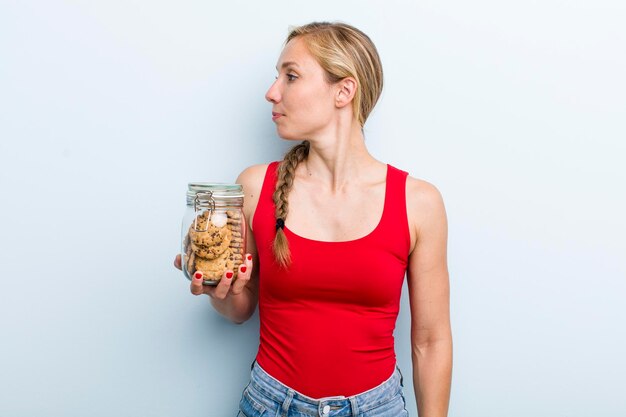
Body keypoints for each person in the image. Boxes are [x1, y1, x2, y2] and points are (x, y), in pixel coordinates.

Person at [174, 21, 452, 417]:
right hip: (269, 404)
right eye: (277, 78)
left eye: (290, 76)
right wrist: (223, 292)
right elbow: (240, 309)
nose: (272, 93)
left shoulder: (419, 202)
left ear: (344, 90)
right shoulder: (254, 188)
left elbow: (431, 340)